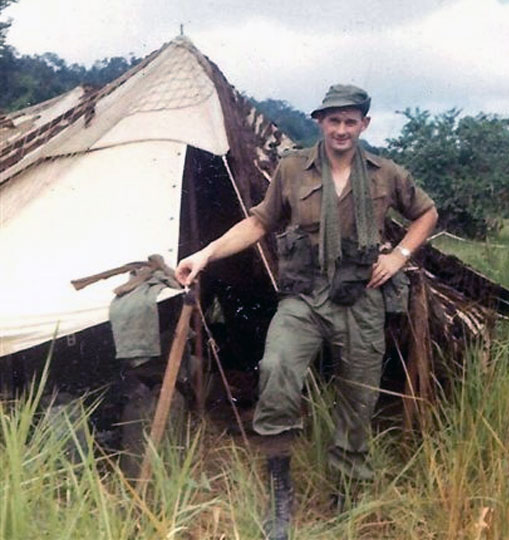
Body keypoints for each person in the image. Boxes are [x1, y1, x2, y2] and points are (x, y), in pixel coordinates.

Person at [175, 84, 438, 540]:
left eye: (350, 121)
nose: (341, 129)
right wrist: (205, 255)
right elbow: (258, 221)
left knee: (358, 399)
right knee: (276, 368)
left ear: (364, 125)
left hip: (360, 300)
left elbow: (427, 212)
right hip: (304, 298)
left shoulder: (385, 173)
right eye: (333, 120)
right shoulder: (293, 168)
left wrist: (398, 256)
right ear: (320, 122)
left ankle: (346, 497)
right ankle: (281, 493)